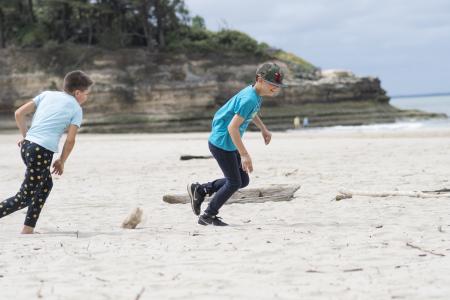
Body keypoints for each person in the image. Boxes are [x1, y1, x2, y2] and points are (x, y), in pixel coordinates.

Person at [187, 62, 286, 226]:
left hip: (228, 142)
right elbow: (232, 127)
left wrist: (263, 129)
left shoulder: (255, 94)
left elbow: (251, 114)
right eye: (272, 84)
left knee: (242, 180)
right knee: (234, 182)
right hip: (222, 143)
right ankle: (207, 216)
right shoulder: (249, 98)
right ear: (259, 79)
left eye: (278, 86)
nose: (275, 89)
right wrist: (244, 154)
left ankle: (202, 189)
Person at [0, 70, 93, 234]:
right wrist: (61, 161)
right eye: (86, 93)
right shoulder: (76, 109)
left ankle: (28, 229)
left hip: (27, 147)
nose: (87, 97)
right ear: (78, 93)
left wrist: (26, 136)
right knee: (24, 197)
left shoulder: (47, 95)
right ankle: (27, 228)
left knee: (45, 184)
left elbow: (19, 113)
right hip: (41, 152)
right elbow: (70, 140)